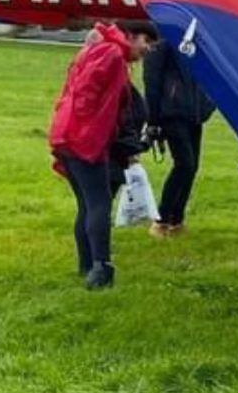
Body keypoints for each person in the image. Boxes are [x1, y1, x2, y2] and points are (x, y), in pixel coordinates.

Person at [49, 19, 159, 289]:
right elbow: (86, 94)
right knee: (99, 203)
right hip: (84, 140)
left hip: (68, 135)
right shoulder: (110, 54)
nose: (148, 50)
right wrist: (94, 132)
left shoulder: (97, 49)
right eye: (146, 42)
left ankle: (87, 265)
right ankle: (101, 268)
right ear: (131, 36)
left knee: (87, 205)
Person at [144, 40, 216, 238]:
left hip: (193, 111)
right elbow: (152, 82)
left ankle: (176, 219)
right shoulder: (161, 44)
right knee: (185, 164)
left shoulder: (192, 41)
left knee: (191, 166)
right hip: (172, 112)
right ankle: (162, 218)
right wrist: (153, 120)